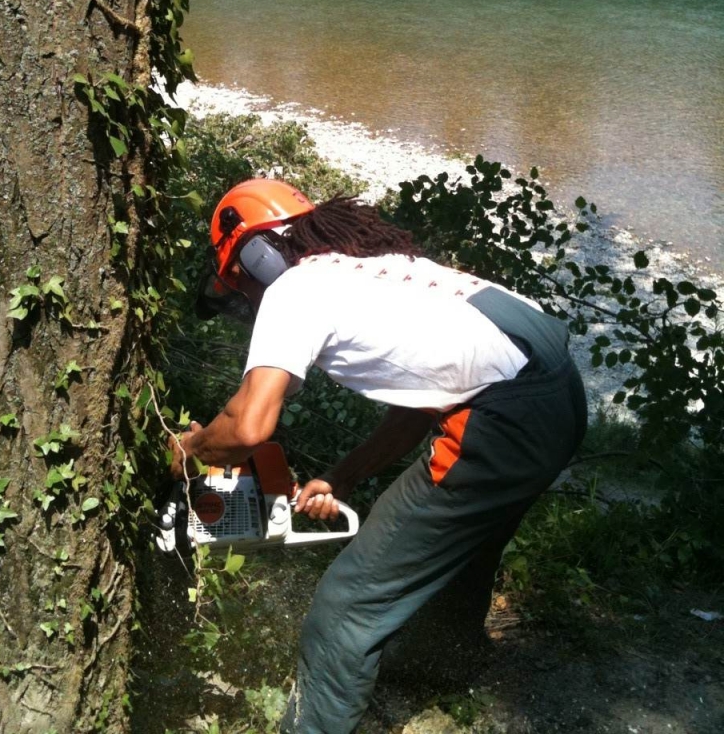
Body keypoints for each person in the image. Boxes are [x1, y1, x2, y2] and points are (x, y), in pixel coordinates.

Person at [169, 178, 587, 734]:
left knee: (346, 609)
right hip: (558, 394)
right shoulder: (377, 268)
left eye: (243, 287)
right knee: (468, 547)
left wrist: (187, 448)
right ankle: (441, 667)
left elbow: (248, 426)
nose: (248, 302)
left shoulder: (296, 287)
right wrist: (342, 476)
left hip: (502, 421)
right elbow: (426, 400)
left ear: (260, 256)